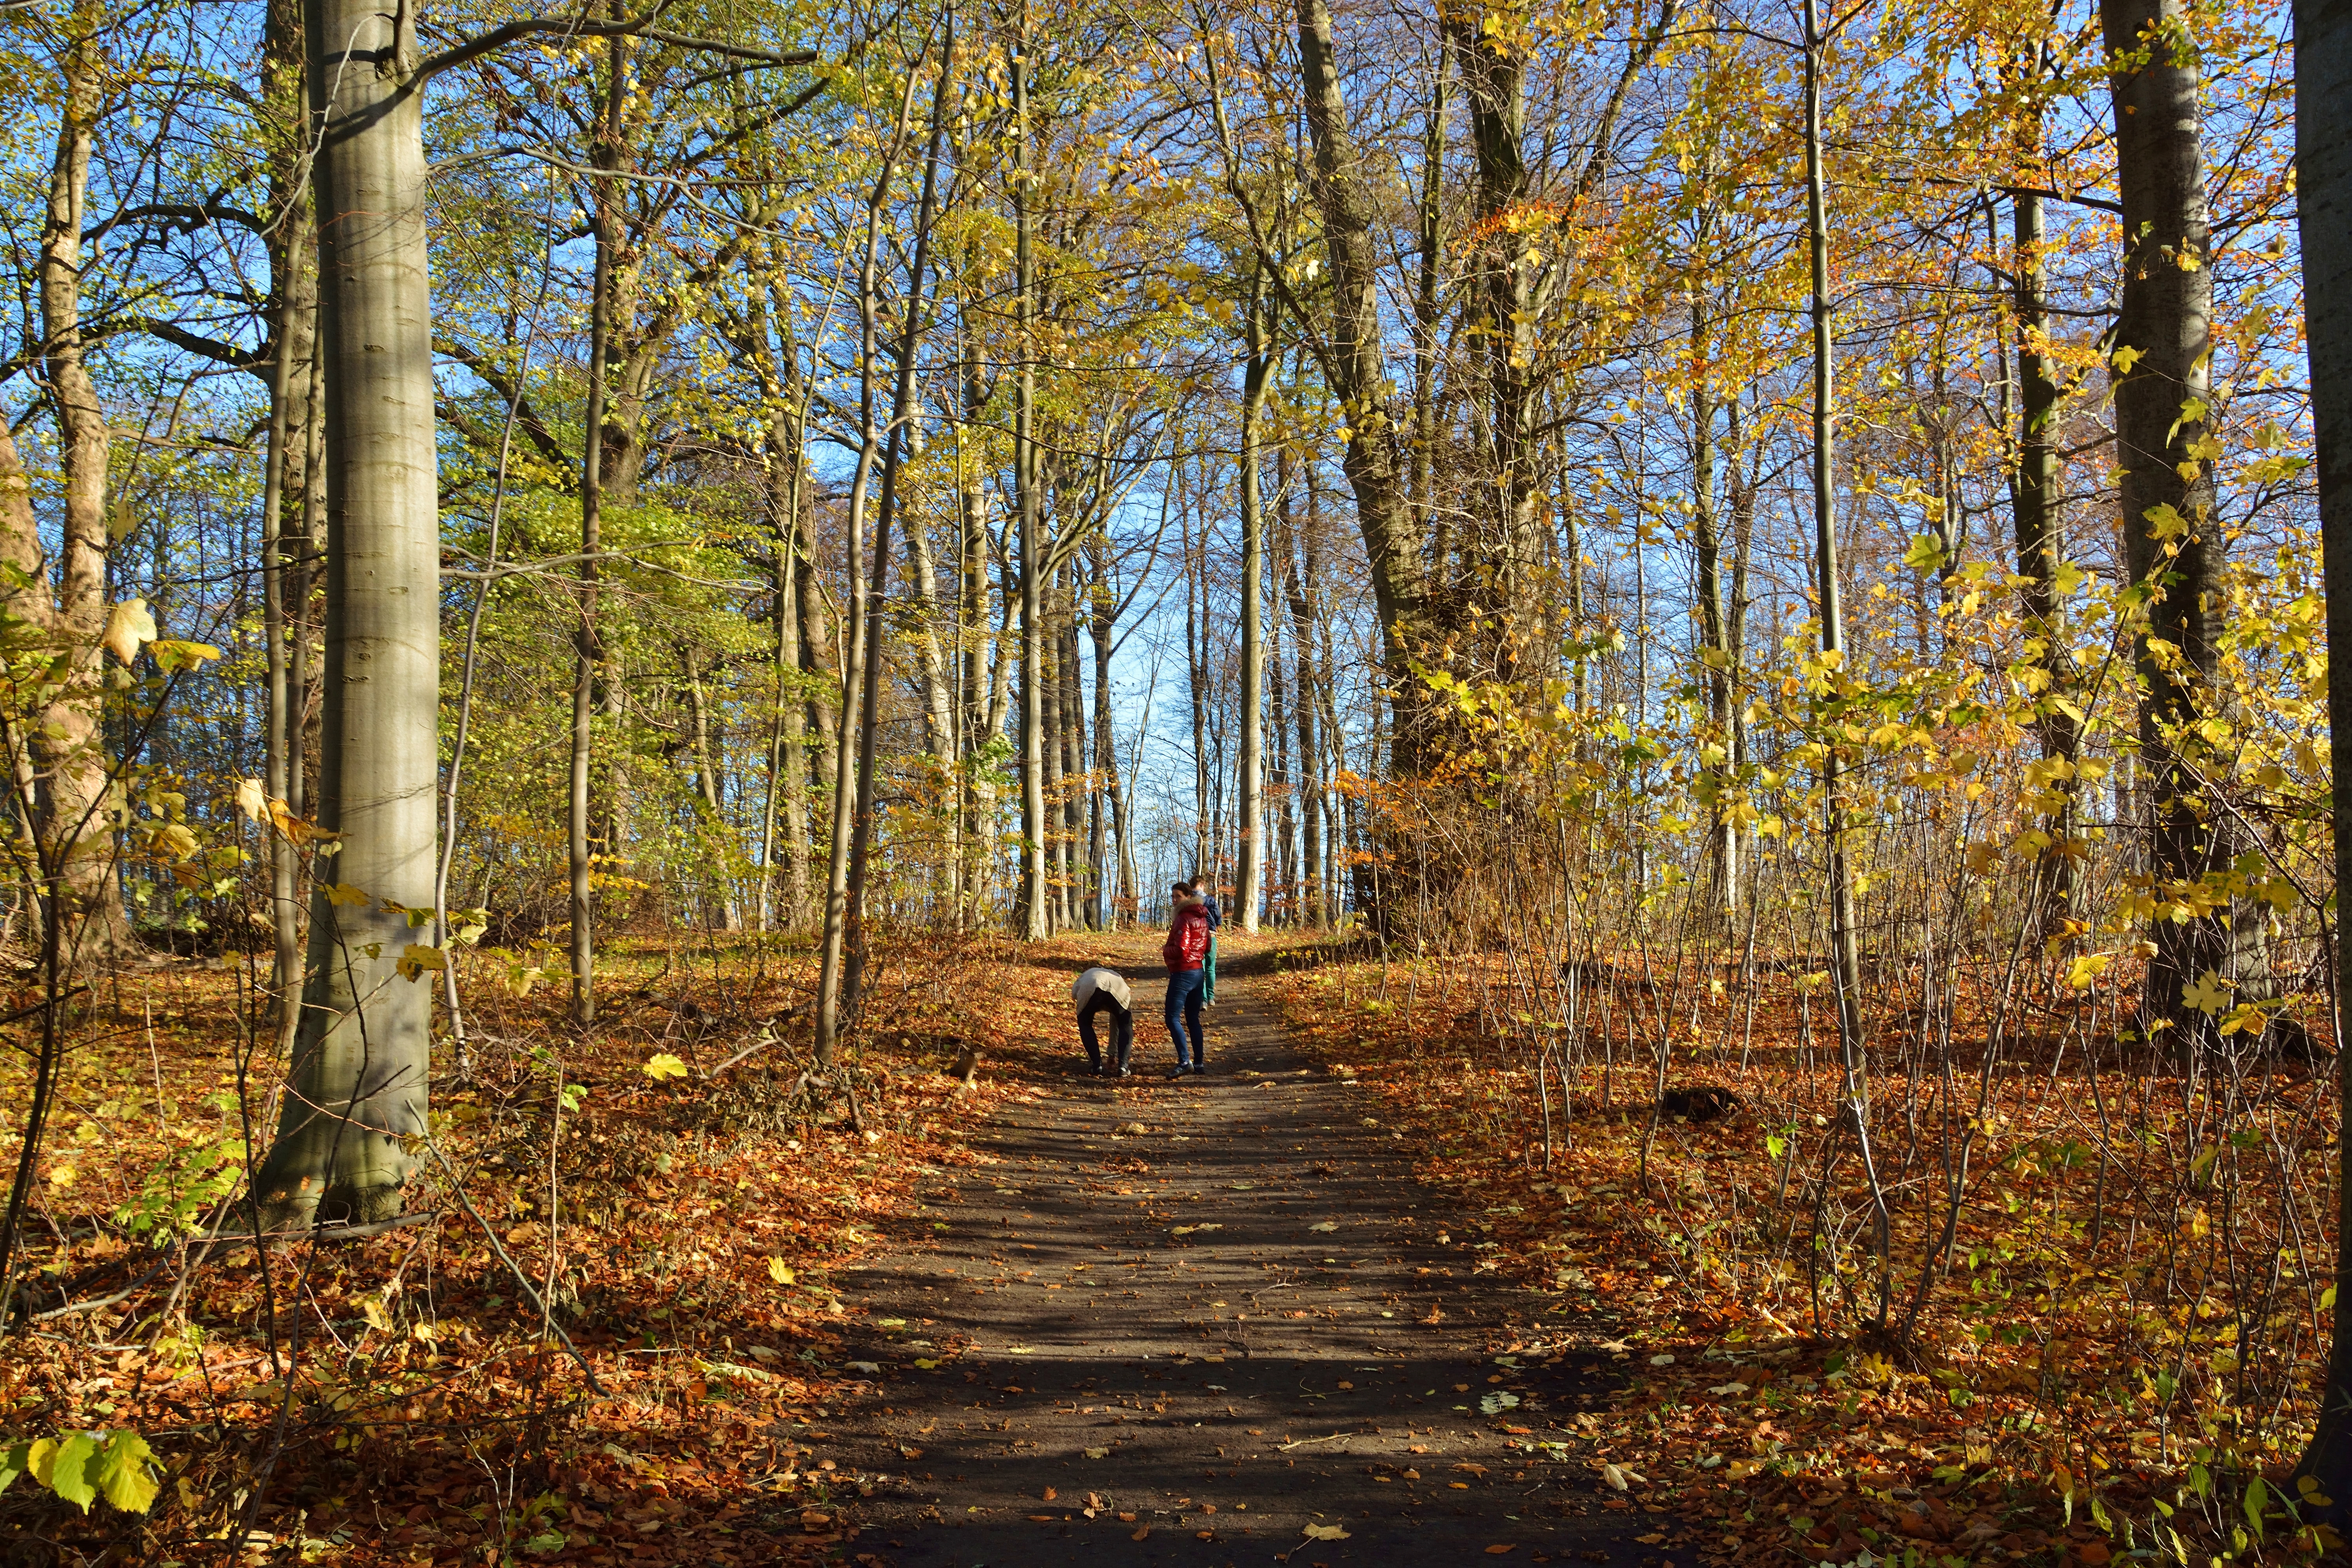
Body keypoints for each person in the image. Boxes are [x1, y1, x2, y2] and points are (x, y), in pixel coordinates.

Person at [1162, 881, 1212, 1076]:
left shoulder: (1183, 918)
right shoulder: (1202, 917)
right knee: (1193, 1018)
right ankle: (1199, 1063)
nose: (1175, 900)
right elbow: (1207, 946)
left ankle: (1185, 1061)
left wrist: (1166, 950)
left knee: (1172, 1018)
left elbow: (1182, 950)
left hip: (1183, 973)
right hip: (1198, 972)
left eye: (1178, 897)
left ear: (1188, 897)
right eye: (1173, 897)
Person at [1071, 965, 1134, 1078]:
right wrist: (1112, 1054)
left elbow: (1075, 995)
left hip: (1090, 987)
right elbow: (1119, 1017)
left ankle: (1097, 1066)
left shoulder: (1086, 975)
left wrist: (1112, 1053)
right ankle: (1123, 1067)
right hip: (1118, 989)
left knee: (1085, 1024)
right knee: (1125, 1024)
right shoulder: (1118, 977)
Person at [1198, 885, 1221, 1005]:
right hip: (1211, 935)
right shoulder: (1211, 900)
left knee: (1200, 968)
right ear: (1202, 885)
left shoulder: (1190, 900)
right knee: (1211, 968)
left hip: (1197, 936)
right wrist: (1217, 924)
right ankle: (1211, 997)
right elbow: (1218, 916)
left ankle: (1203, 1000)